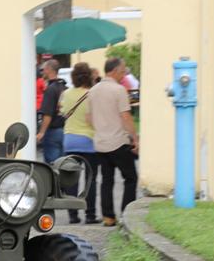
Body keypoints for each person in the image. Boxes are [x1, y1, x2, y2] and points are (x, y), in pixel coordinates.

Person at [88, 57, 138, 227]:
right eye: (123, 71)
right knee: (131, 178)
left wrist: (100, 127)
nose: (123, 74)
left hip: (100, 142)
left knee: (106, 180)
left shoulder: (93, 90)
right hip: (118, 141)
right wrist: (135, 137)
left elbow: (89, 117)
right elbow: (126, 116)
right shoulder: (119, 90)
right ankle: (126, 214)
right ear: (115, 71)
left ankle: (108, 216)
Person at [59, 62, 99, 224]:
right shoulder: (92, 94)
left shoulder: (66, 94)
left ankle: (73, 215)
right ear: (89, 76)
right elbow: (93, 118)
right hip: (89, 140)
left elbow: (62, 112)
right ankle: (90, 215)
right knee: (91, 179)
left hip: (69, 140)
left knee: (71, 180)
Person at [35, 58, 66, 165]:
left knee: (52, 167)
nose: (42, 72)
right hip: (63, 131)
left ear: (49, 69)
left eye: (43, 69)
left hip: (52, 132)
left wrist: (41, 132)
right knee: (62, 165)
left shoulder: (50, 89)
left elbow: (48, 114)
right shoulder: (64, 87)